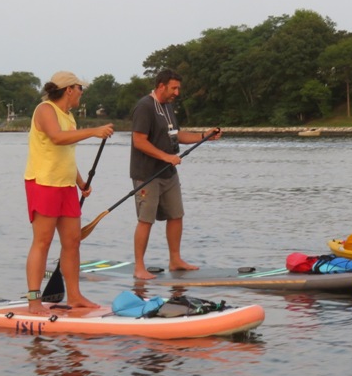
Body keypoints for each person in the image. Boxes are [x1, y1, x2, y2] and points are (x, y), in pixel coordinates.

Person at [24, 71, 114, 315]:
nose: (82, 94)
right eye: (80, 89)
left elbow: (66, 154)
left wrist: (81, 183)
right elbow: (56, 138)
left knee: (72, 242)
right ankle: (34, 300)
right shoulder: (45, 109)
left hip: (65, 186)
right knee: (42, 242)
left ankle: (74, 296)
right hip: (43, 183)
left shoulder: (70, 117)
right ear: (69, 89)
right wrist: (94, 131)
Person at [130, 69, 222, 279]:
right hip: (147, 175)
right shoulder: (145, 106)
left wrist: (203, 136)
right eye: (174, 88)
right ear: (161, 86)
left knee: (176, 215)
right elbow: (139, 141)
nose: (177, 92)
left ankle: (175, 260)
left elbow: (176, 134)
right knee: (146, 220)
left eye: (178, 88)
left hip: (168, 173)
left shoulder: (168, 107)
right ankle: (139, 267)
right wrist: (165, 156)